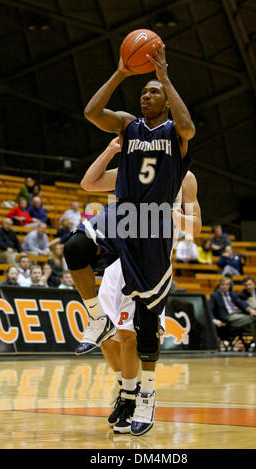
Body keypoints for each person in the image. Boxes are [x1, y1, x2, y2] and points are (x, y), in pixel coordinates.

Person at [64, 42, 196, 436]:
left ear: (167, 102)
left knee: (145, 323)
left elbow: (189, 126)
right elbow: (90, 113)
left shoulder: (176, 134)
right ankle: (96, 317)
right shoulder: (127, 125)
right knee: (75, 246)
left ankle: (146, 396)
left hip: (154, 228)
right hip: (124, 216)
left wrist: (165, 77)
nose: (146, 94)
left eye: (153, 92)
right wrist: (122, 72)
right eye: (144, 91)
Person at [74, 137, 201, 433]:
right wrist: (111, 150)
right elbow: (89, 184)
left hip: (151, 260)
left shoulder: (186, 177)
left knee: (129, 332)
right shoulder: (134, 167)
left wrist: (170, 214)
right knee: (106, 332)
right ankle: (125, 389)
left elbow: (195, 226)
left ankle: (136, 396)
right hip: (119, 252)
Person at [209, 276, 256, 353]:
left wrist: (250, 310)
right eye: (223, 284)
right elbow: (210, 309)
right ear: (220, 285)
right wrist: (214, 320)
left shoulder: (233, 294)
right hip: (229, 317)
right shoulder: (215, 296)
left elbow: (241, 303)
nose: (224, 286)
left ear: (229, 286)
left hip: (240, 315)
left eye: (227, 284)